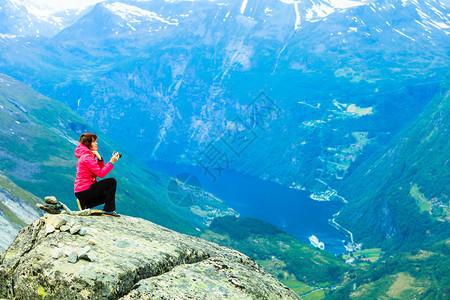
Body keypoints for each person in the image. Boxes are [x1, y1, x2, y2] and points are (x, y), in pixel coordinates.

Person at [74, 133, 121, 217]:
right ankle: (109, 210)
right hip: (85, 189)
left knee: (108, 196)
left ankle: (85, 204)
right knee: (111, 182)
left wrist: (100, 159)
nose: (96, 143)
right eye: (94, 141)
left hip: (82, 190)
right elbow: (101, 174)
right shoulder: (87, 157)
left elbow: (98, 170)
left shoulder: (87, 155)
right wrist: (111, 162)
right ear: (88, 143)